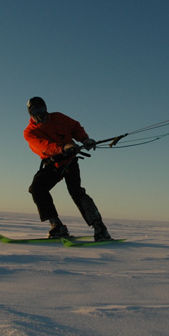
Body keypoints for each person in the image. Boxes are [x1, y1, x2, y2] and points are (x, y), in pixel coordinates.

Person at [23, 96, 112, 241]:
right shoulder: (29, 132)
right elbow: (42, 147)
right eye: (35, 110)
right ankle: (56, 226)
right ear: (29, 112)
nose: (39, 113)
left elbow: (75, 127)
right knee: (37, 188)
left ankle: (100, 228)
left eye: (42, 108)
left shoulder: (58, 117)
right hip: (52, 164)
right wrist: (62, 148)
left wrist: (85, 139)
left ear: (46, 108)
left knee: (76, 192)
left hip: (70, 162)